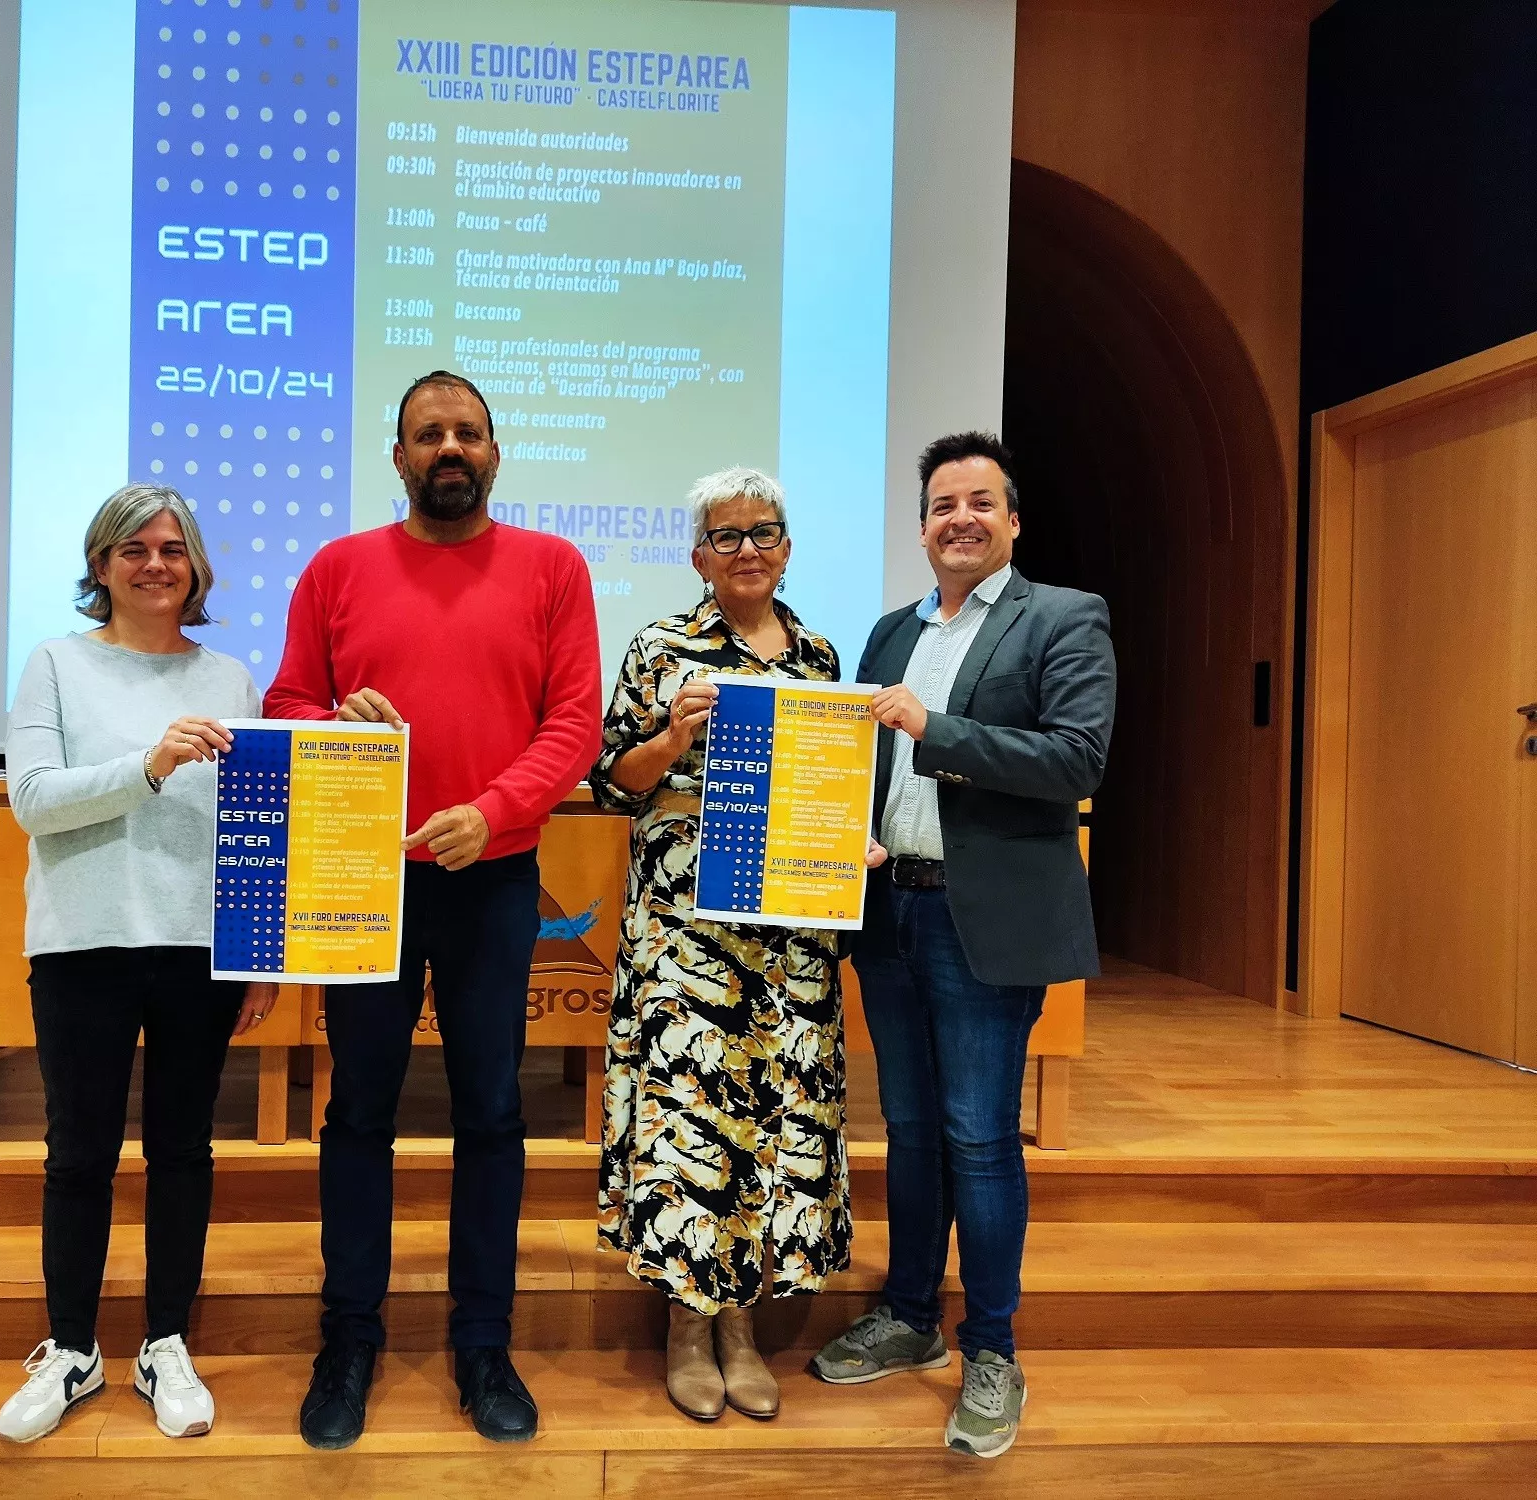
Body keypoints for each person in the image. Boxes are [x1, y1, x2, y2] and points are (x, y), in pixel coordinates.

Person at [265, 370, 603, 1449]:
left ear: (495, 453)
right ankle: (349, 1338)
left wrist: (494, 809)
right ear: (396, 455)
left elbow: (575, 722)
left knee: (490, 1114)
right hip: (362, 881)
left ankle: (481, 1342)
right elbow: (284, 702)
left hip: (494, 877)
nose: (447, 447)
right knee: (357, 1111)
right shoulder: (336, 567)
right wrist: (332, 720)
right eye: (427, 434)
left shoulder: (553, 567)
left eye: (466, 432)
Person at [811, 433, 1115, 1460]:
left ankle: (990, 1348)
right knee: (905, 1126)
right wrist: (842, 831)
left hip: (982, 922)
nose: (959, 520)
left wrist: (934, 731)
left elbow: (1074, 757)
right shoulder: (890, 631)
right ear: (921, 526)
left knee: (978, 1136)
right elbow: (864, 759)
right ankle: (907, 1318)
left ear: (1012, 519)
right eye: (941, 506)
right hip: (890, 909)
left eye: (979, 503)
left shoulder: (1063, 618)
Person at [0, 483, 278, 1445]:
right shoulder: (56, 665)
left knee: (183, 1152)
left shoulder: (233, 677)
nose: (155, 564)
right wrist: (149, 766)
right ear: (101, 565)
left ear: (195, 567)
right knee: (79, 1155)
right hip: (84, 945)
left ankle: (165, 1343)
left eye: (172, 549)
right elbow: (32, 800)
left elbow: (256, 831)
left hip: (199, 947)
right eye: (133, 550)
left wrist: (261, 958)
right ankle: (72, 1349)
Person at [589, 467, 870, 1423]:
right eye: (726, 534)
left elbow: (830, 792)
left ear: (788, 548)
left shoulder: (824, 659)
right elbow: (612, 784)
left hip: (790, 933)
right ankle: (682, 1320)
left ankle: (741, 1321)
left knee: (773, 1115)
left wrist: (849, 841)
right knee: (687, 1118)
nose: (747, 548)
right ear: (698, 555)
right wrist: (668, 739)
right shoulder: (660, 647)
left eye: (765, 532)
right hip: (683, 927)